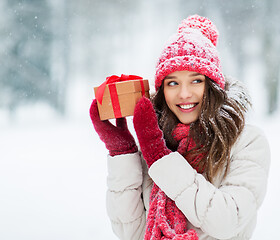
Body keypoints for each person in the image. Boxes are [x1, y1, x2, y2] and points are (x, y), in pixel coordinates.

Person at [90, 15, 270, 240]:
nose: (184, 94)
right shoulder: (158, 141)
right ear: (162, 91)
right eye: (173, 83)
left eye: (196, 81)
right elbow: (131, 232)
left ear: (213, 86)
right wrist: (123, 151)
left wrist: (160, 158)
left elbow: (228, 222)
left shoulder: (247, 142)